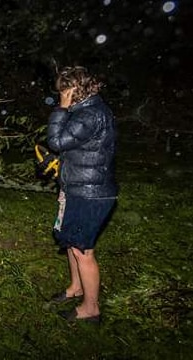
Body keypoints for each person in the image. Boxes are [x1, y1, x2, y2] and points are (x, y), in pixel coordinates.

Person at [46, 65, 117, 323]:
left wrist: (61, 108)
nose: (60, 94)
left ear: (73, 89)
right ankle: (76, 288)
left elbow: (56, 141)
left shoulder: (89, 115)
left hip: (90, 193)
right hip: (79, 187)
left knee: (82, 251)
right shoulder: (89, 110)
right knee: (71, 243)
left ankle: (91, 308)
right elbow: (72, 147)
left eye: (63, 90)